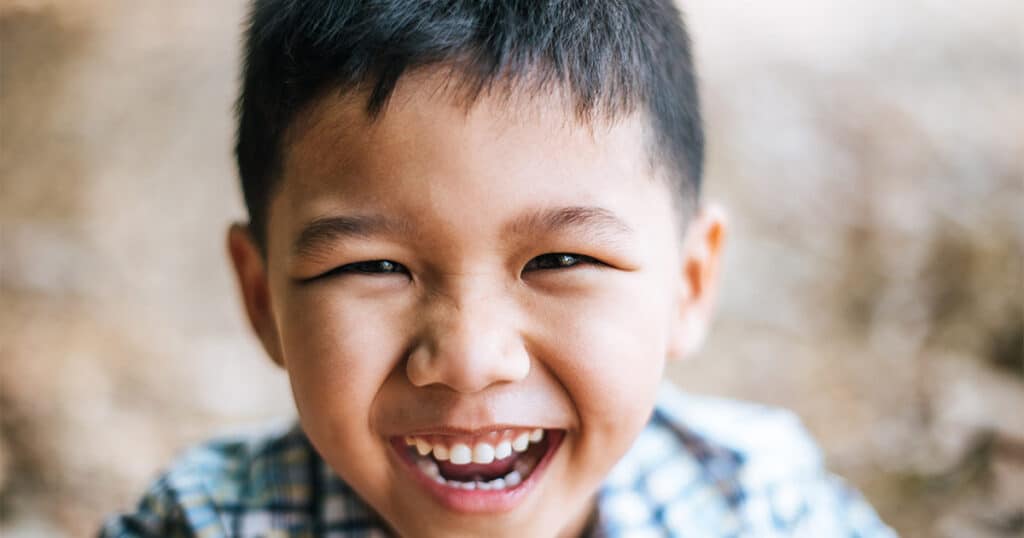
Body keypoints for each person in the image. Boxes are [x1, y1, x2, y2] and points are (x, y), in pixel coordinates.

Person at [102, 1, 896, 536]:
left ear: (690, 283)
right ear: (260, 296)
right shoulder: (208, 522)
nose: (471, 360)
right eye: (375, 266)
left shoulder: (762, 506)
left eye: (560, 260)